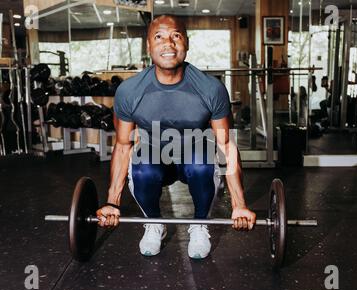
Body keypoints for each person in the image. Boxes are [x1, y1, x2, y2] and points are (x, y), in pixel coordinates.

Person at [96, 15, 256, 259]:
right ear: (148, 45)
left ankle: (201, 224)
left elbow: (226, 145)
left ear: (187, 43)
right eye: (159, 37)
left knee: (202, 164)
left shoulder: (211, 88)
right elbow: (122, 145)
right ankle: (154, 223)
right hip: (154, 158)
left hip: (195, 156)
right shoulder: (129, 91)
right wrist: (112, 202)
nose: (168, 44)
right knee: (142, 168)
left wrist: (239, 204)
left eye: (176, 36)